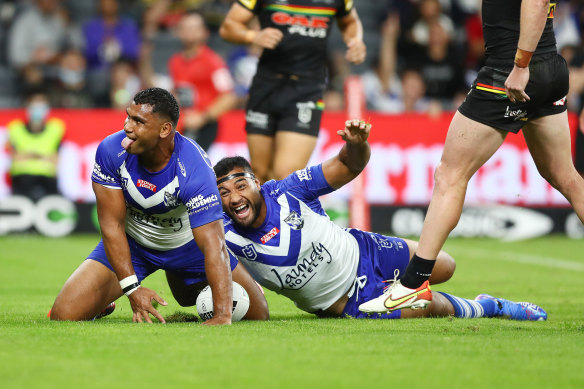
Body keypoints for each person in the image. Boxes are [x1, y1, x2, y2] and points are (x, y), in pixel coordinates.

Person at [359, 0, 584, 314]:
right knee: (566, 177)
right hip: (550, 69)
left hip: (512, 71)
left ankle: (413, 285)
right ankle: (414, 284)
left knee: (450, 175)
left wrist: (520, 66)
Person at [213, 119, 547, 321]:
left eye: (240, 185)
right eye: (224, 193)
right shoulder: (224, 236)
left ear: (257, 183)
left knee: (445, 266)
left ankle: (419, 289)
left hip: (365, 249)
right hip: (349, 302)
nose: (235, 198)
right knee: (428, 304)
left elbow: (349, 165)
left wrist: (358, 145)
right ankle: (487, 307)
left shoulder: (289, 191)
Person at [49, 87, 268, 325]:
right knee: (64, 314)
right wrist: (132, 289)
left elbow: (214, 245)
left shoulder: (194, 169)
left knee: (258, 313)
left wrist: (223, 315)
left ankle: (188, 279)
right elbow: (112, 225)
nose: (127, 127)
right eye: (128, 116)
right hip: (134, 245)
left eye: (139, 121)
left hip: (188, 246)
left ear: (165, 130)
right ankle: (105, 301)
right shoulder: (111, 151)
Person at [219, 0, 366, 183]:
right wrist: (253, 36)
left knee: (286, 175)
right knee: (259, 173)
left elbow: (350, 21)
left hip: (306, 91)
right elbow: (228, 27)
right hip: (266, 87)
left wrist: (355, 41)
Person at [167, 11, 238, 151]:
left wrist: (203, 117)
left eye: (193, 28)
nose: (189, 32)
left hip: (205, 126)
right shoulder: (175, 61)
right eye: (185, 28)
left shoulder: (213, 62)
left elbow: (229, 96)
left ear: (204, 32)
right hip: (182, 124)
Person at [7, 87, 65, 201]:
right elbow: (15, 157)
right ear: (28, 106)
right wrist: (43, 156)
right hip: (22, 178)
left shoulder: (56, 128)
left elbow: (55, 159)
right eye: (35, 104)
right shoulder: (15, 128)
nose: (38, 108)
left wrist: (28, 155)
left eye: (41, 104)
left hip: (47, 179)